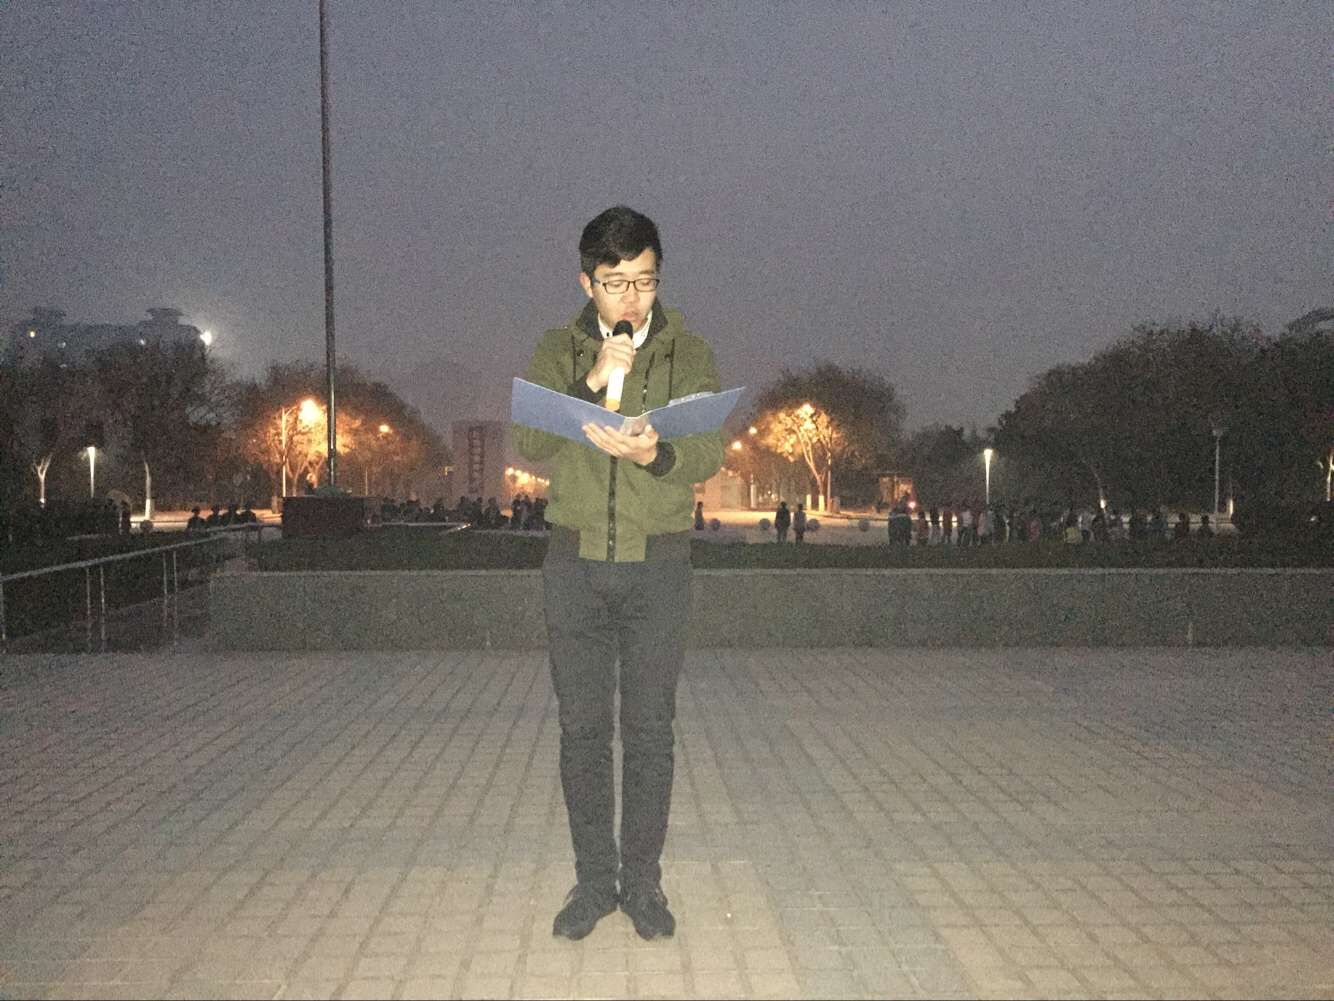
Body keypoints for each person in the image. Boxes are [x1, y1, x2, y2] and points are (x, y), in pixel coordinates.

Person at [511, 206, 724, 942]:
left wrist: (655, 455)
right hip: (574, 564)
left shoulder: (688, 351)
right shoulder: (557, 347)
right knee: (582, 731)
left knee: (650, 731)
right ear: (587, 283)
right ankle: (594, 882)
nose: (632, 298)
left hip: (657, 563)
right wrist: (591, 377)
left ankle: (643, 883)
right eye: (616, 282)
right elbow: (530, 438)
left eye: (645, 280)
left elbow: (708, 450)